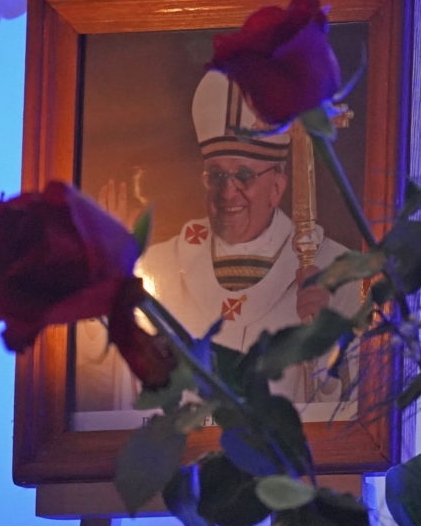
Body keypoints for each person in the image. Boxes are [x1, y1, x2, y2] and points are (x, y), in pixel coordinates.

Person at [120, 71, 362, 405]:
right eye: (216, 175)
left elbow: (356, 407)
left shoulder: (339, 273)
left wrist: (323, 337)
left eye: (244, 175)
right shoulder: (156, 265)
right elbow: (106, 386)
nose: (227, 192)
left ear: (277, 187)